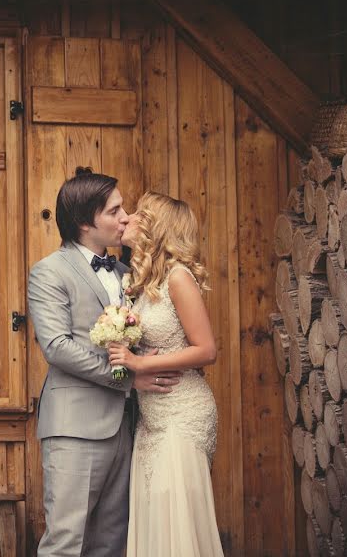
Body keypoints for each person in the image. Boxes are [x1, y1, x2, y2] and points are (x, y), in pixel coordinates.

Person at [28, 172, 181, 556]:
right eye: (115, 211)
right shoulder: (50, 272)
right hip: (75, 427)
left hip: (128, 428)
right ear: (84, 221)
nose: (126, 217)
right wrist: (130, 379)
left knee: (112, 543)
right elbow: (58, 346)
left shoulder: (126, 274)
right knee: (66, 541)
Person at [108, 191, 224, 557]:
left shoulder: (178, 278)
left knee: (176, 527)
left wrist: (139, 363)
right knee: (155, 525)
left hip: (182, 414)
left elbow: (206, 350)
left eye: (138, 214)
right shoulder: (140, 284)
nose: (126, 218)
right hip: (151, 418)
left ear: (156, 228)